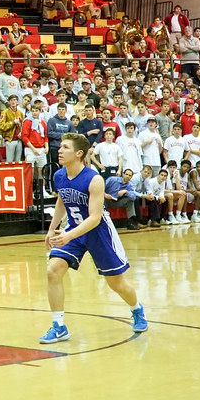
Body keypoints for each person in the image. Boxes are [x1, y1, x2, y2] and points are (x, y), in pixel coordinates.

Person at [42, 133, 147, 343]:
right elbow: (62, 201)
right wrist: (52, 229)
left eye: (65, 147)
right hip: (74, 229)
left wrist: (69, 235)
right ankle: (59, 326)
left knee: (116, 283)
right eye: (60, 147)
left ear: (79, 153)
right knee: (53, 271)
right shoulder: (59, 176)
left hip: (99, 232)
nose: (59, 151)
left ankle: (137, 309)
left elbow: (95, 218)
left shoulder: (94, 179)